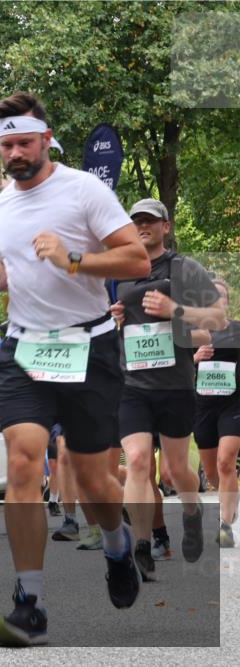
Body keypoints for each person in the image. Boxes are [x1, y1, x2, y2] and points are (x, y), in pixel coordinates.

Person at [0, 93, 151, 647]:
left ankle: (118, 545)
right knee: (25, 465)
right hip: (25, 349)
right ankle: (31, 603)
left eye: (25, 141)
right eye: (6, 144)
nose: (16, 152)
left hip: (90, 348)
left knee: (95, 479)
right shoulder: (0, 205)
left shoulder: (83, 189)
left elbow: (135, 259)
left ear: (46, 137)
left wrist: (74, 258)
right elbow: (22, 268)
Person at [110, 197, 225, 575]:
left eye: (150, 220)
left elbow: (217, 319)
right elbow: (110, 327)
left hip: (174, 384)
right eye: (136, 221)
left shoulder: (184, 268)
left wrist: (175, 311)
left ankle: (191, 511)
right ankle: (141, 544)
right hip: (132, 383)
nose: (142, 226)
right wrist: (115, 322)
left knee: (175, 470)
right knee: (139, 461)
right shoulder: (120, 272)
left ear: (166, 226)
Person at [191, 279, 240, 548]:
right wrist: (194, 358)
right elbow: (174, 368)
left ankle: (225, 525)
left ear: (227, 303)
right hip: (204, 406)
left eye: (219, 297)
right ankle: (230, 500)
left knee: (226, 461)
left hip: (233, 404)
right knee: (212, 474)